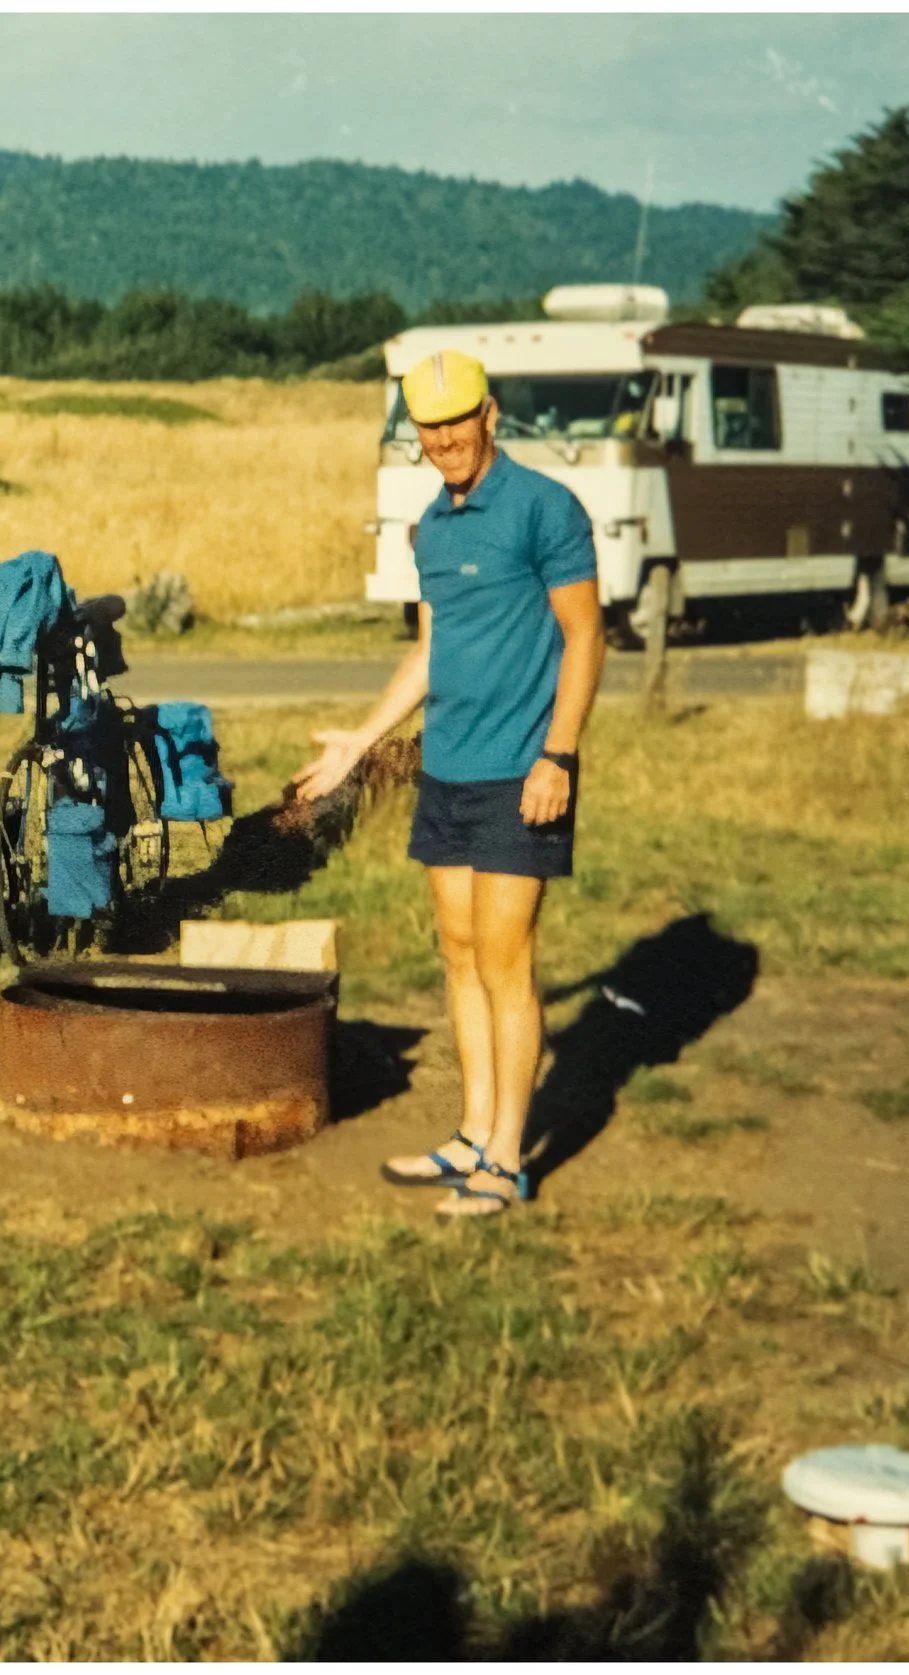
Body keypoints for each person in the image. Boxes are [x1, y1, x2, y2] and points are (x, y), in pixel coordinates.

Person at [291, 348, 604, 1219]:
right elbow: (431, 651)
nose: (443, 440)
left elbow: (586, 638)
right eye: (428, 427)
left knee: (506, 961)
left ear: (489, 415)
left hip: (522, 771)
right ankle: (471, 1131)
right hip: (449, 769)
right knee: (460, 954)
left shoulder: (545, 507)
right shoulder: (431, 526)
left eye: (456, 421)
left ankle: (505, 1160)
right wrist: (362, 742)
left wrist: (558, 755)